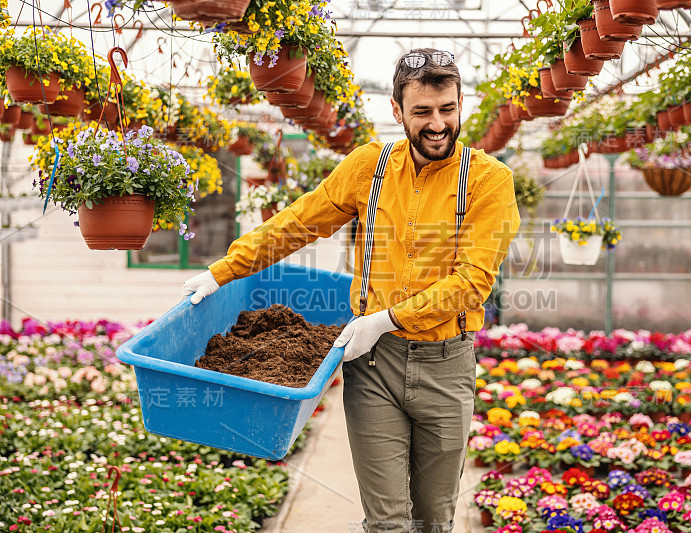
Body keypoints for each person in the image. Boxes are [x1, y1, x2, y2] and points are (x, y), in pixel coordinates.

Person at [182, 48, 520, 532]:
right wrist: (223, 271)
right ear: (398, 111)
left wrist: (385, 319)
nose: (438, 124)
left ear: (461, 104)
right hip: (375, 366)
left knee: (434, 519)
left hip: (446, 369)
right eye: (422, 112)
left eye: (448, 109)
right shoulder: (369, 168)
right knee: (387, 523)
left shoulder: (489, 181)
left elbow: (471, 283)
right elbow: (299, 222)